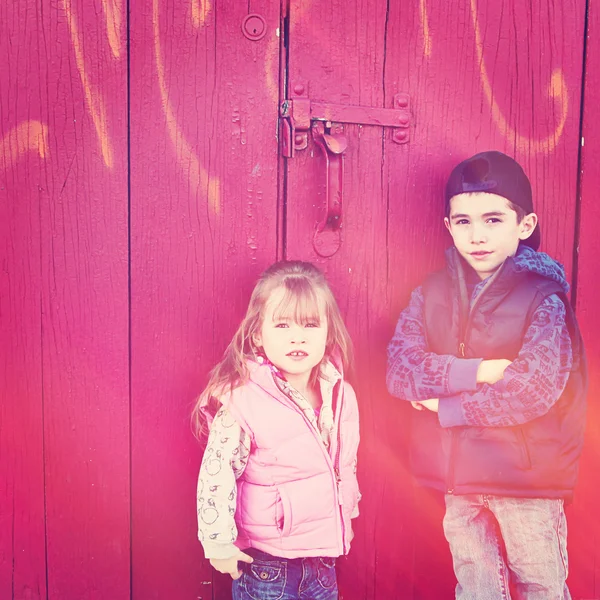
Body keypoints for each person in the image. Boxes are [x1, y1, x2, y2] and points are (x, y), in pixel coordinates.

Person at [387, 151, 587, 599]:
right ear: (448, 226)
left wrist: (445, 405)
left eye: (493, 220)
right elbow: (401, 370)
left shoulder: (545, 298)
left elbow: (531, 391)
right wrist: (479, 370)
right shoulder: (431, 294)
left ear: (525, 225)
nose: (477, 236)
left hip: (528, 482)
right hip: (459, 478)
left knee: (542, 587)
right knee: (476, 590)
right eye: (463, 222)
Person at [193, 260, 360, 600]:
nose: (297, 337)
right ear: (258, 333)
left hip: (323, 561)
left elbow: (345, 464)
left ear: (328, 331)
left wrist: (348, 513)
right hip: (268, 568)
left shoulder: (339, 392)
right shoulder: (244, 398)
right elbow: (217, 471)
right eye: (282, 325)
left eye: (310, 324)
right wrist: (217, 542)